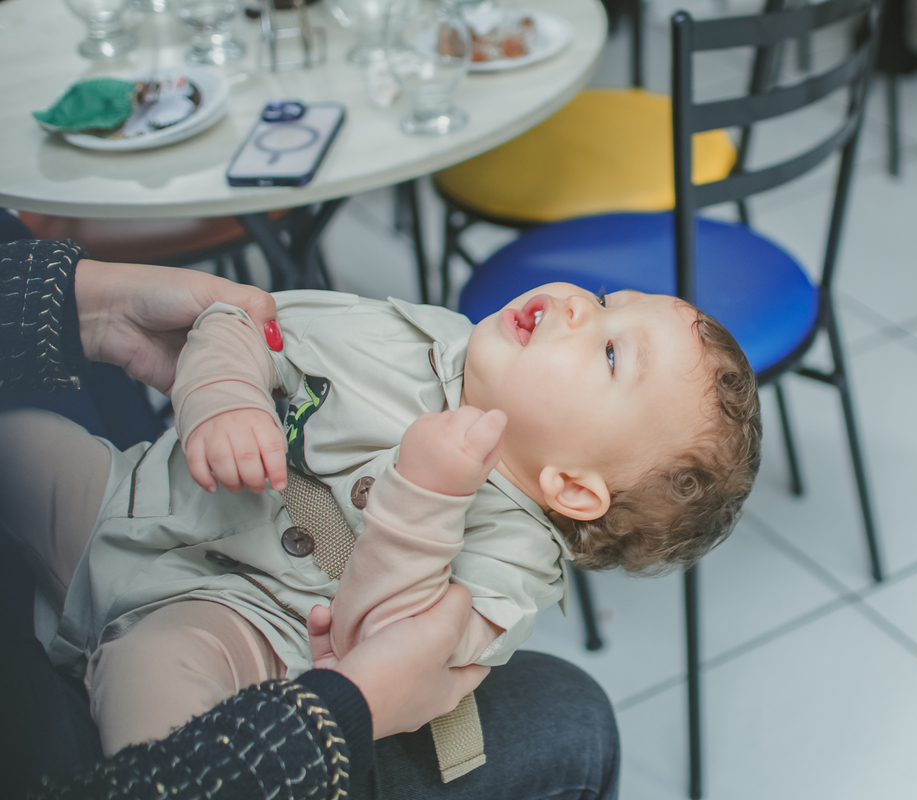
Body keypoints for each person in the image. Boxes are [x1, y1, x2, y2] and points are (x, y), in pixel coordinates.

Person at [0, 232, 620, 800]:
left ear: (571, 487)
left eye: (614, 353)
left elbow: (385, 654)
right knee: (19, 442)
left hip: (244, 623)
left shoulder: (512, 566)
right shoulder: (419, 335)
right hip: (134, 502)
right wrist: (227, 397)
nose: (580, 308)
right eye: (604, 299)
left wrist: (427, 498)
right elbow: (243, 319)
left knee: (152, 676)